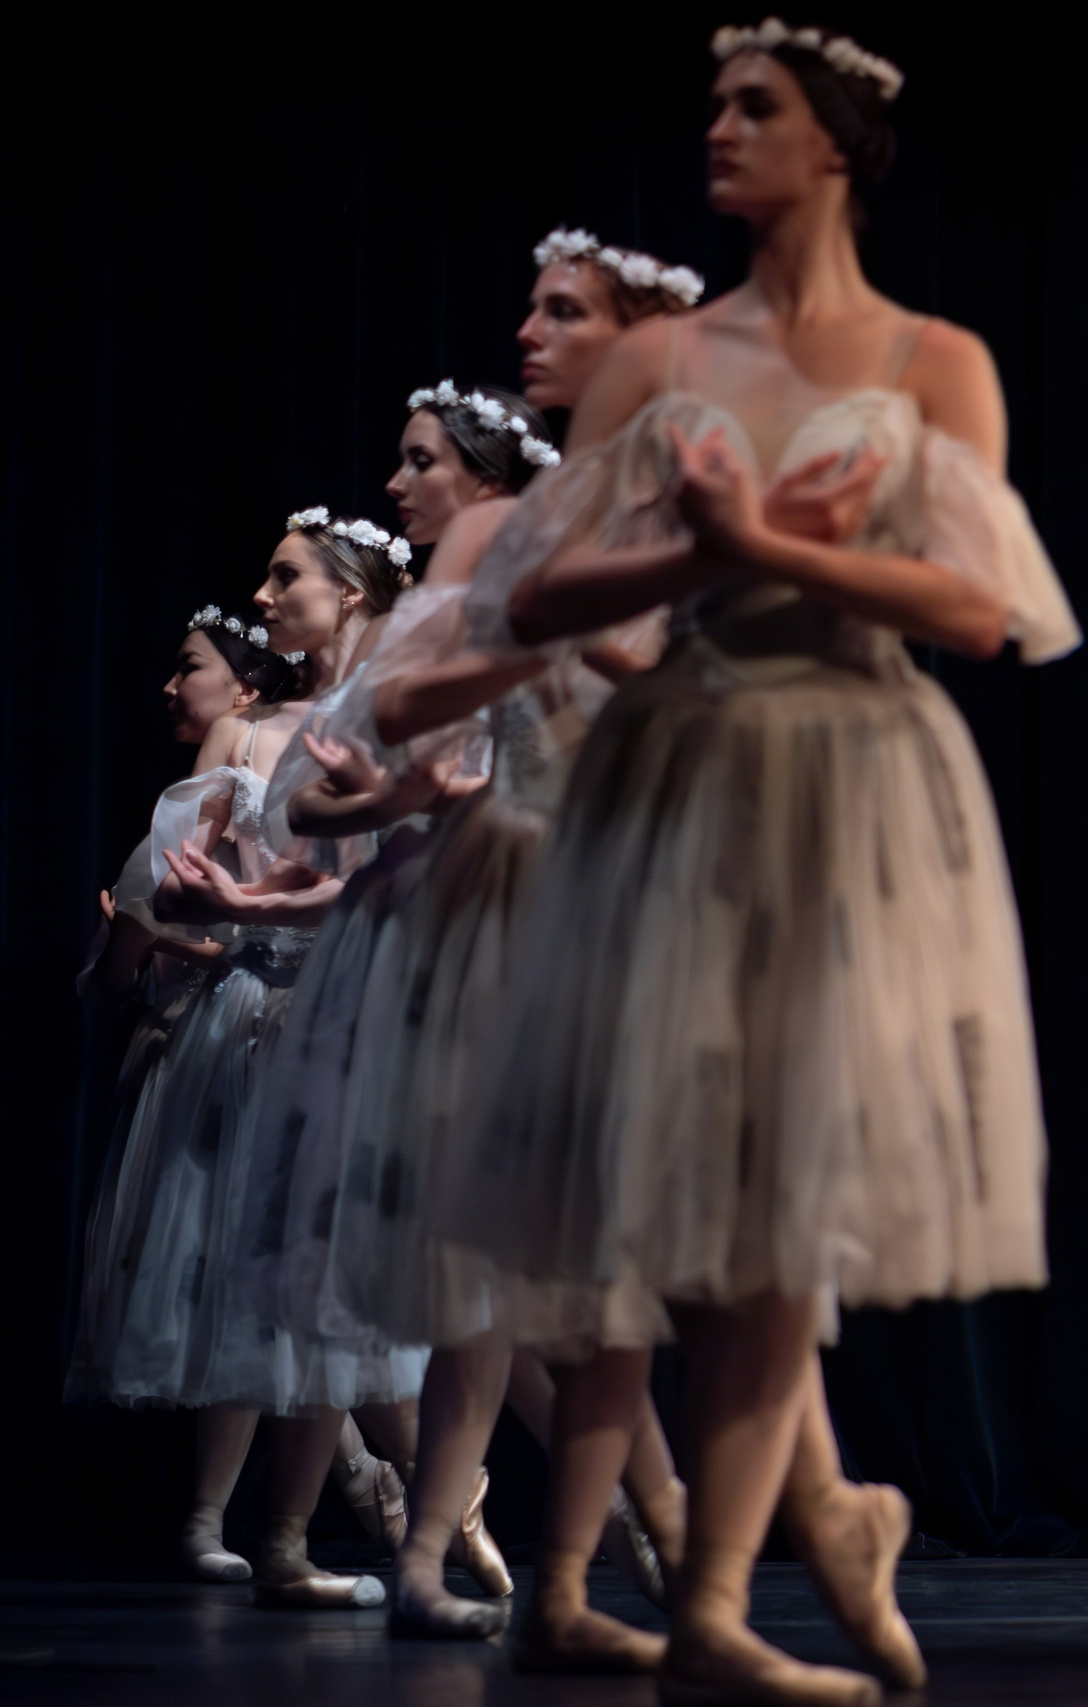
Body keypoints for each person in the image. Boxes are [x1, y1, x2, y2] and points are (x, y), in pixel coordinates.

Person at [451, 18, 1079, 1701]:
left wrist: (766, 547)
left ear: (840, 145)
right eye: (716, 107)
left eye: (757, 109)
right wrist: (687, 553)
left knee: (793, 1174)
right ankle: (750, 1567)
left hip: (859, 765)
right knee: (691, 1181)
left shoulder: (932, 358)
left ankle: (720, 1600)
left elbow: (980, 607)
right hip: (694, 767)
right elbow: (525, 592)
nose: (719, 131)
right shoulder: (665, 367)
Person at [276, 238, 706, 1657]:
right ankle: (467, 1545)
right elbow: (369, 740)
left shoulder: (657, 512)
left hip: (599, 907)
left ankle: (645, 1526)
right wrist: (412, 790)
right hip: (492, 916)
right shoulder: (491, 547)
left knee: (569, 1272)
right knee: (503, 1267)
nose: (400, 482)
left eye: (562, 312)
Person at [83, 511, 413, 1608]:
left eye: (286, 578)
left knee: (328, 1285)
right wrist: (197, 897)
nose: (265, 598)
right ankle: (213, 1521)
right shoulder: (250, 730)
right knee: (234, 1263)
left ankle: (294, 1532)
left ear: (349, 594)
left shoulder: (396, 717)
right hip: (246, 1009)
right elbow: (168, 876)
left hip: (342, 1014)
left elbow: (400, 882)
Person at [65, 607, 299, 1583]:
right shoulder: (213, 775)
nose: (169, 687)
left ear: (243, 687)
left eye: (188, 668)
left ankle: (383, 1496)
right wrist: (162, 942)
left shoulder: (330, 732)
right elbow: (125, 965)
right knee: (236, 1270)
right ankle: (222, 1519)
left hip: (304, 1011)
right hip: (225, 1032)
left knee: (303, 1278)